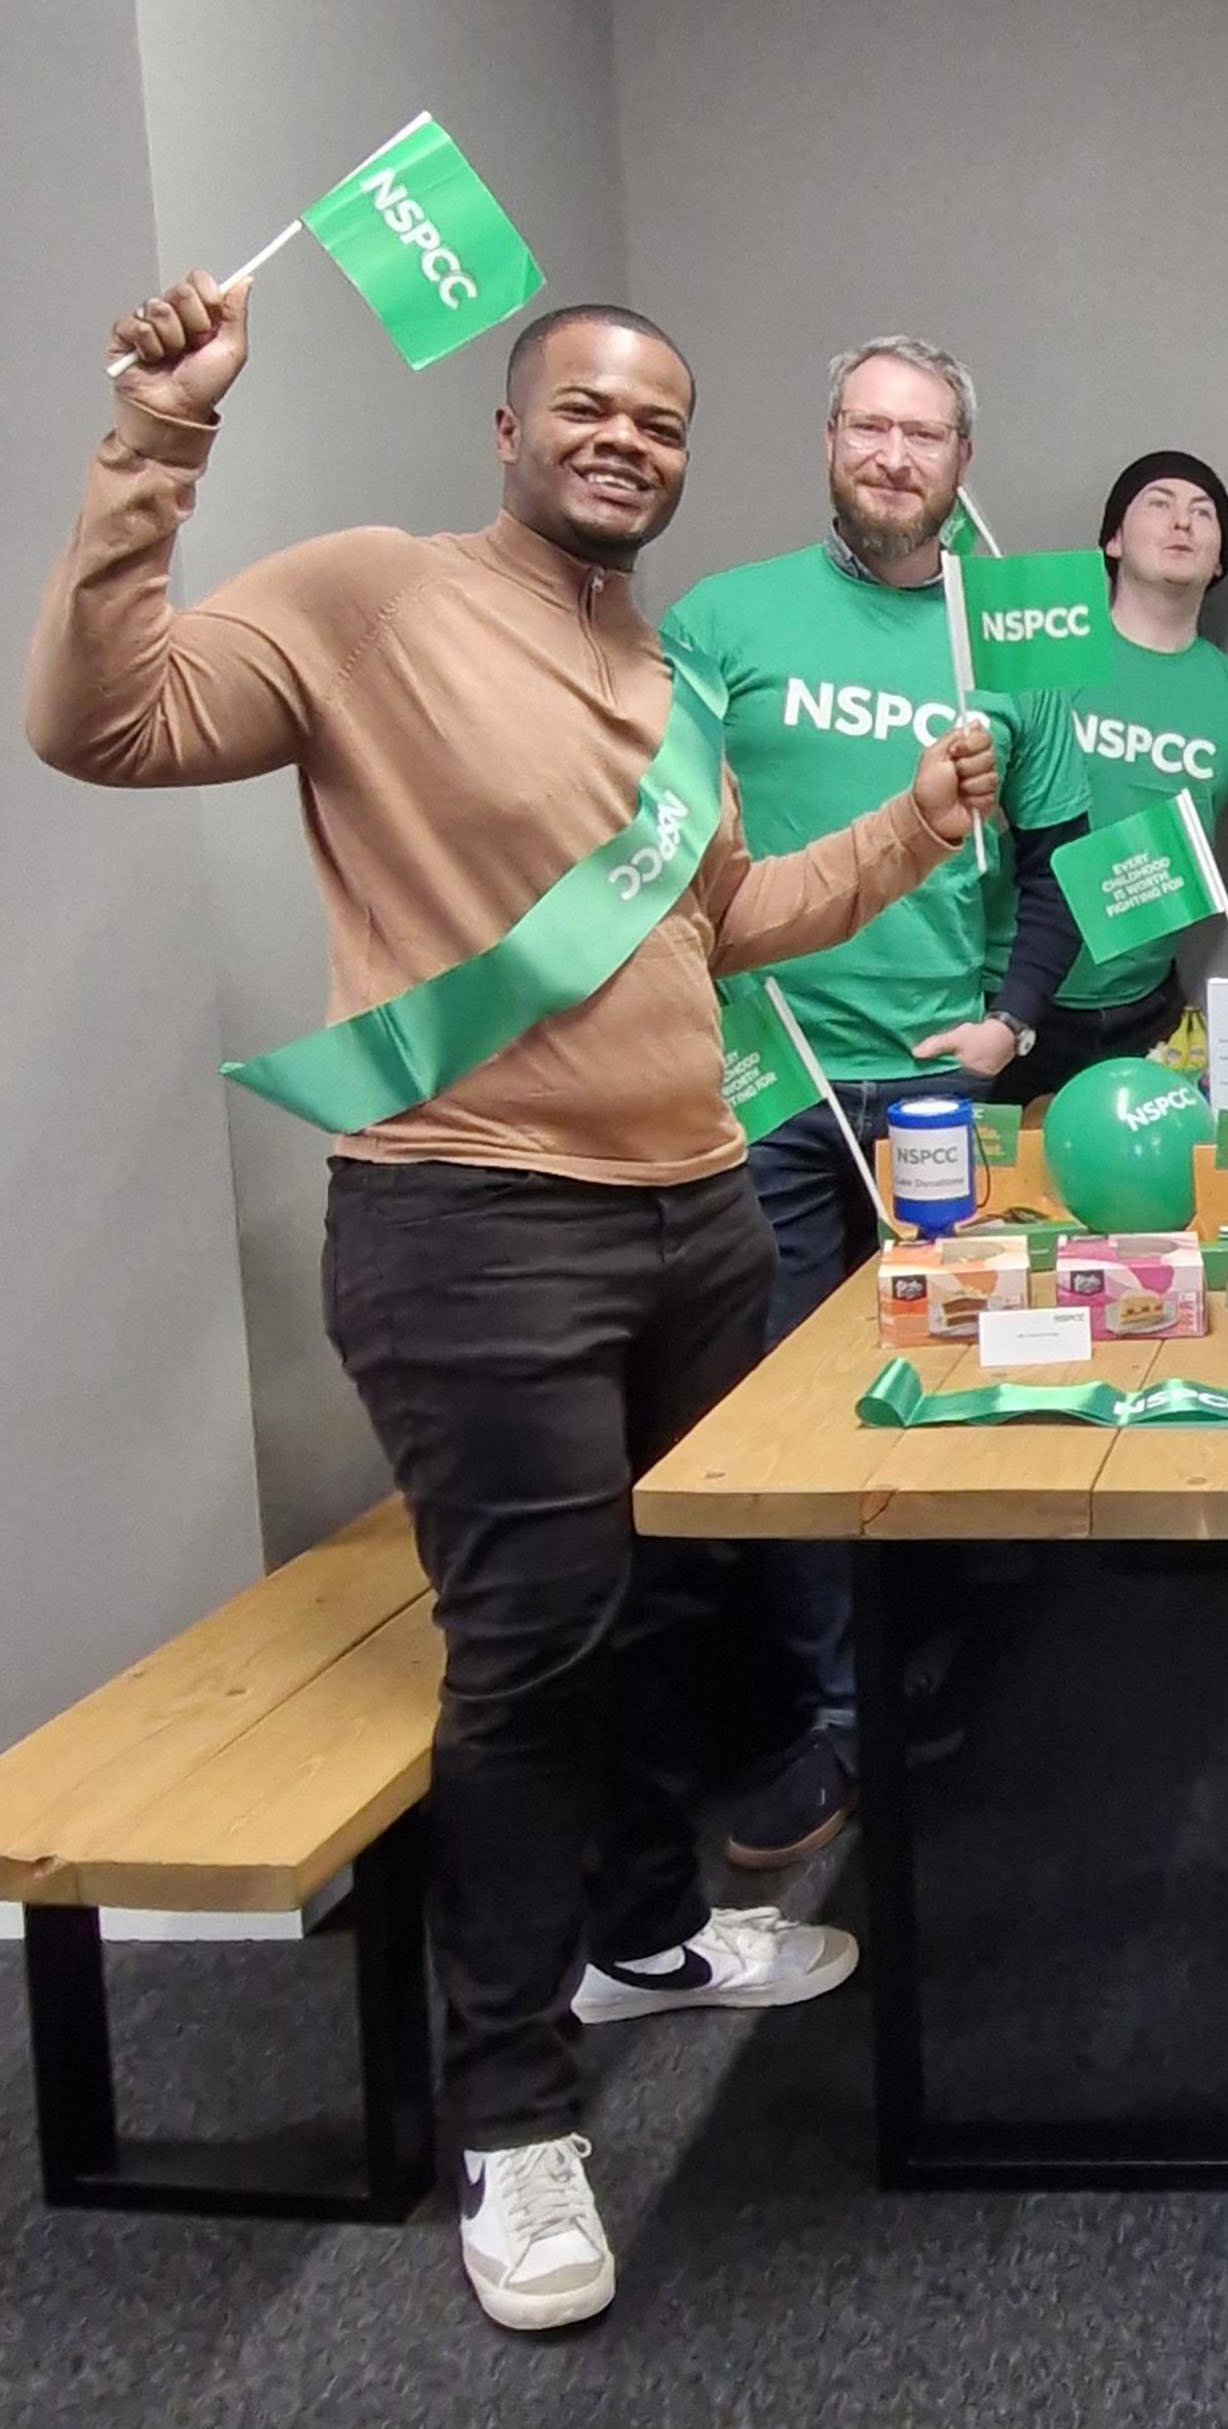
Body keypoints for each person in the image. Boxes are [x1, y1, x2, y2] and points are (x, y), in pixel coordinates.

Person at [31, 275, 999, 2332]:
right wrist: (156, 441)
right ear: (507, 427)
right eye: (587, 405)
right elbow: (103, 721)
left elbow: (726, 920)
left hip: (693, 1209)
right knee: (533, 1663)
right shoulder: (374, 596)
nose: (625, 438)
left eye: (660, 417)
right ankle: (515, 2114)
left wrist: (917, 828)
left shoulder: (659, 672)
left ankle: (646, 1933)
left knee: (675, 1610)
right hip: (472, 1222)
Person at [660, 337, 1090, 1868]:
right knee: (786, 1401)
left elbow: (1063, 870)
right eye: (869, 425)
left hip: (933, 1088)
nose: (894, 455)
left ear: (964, 462)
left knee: (954, 1374)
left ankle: (942, 1668)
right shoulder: (721, 620)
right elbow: (653, 840)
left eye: (925, 433)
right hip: (760, 1076)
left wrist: (1010, 1021)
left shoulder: (1018, 645)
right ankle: (837, 1716)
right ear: (828, 439)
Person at [984, 449, 1228, 1102]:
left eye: (1203, 513)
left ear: (1218, 560)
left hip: (1142, 1019)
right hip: (1005, 1004)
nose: (1182, 522)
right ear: (1114, 539)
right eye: (1159, 504)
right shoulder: (1045, 657)